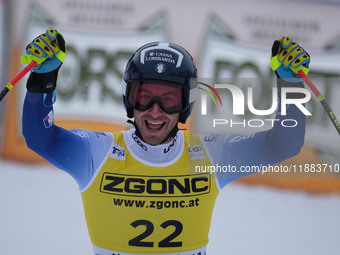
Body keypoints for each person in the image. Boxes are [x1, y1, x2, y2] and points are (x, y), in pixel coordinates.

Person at [22, 28, 309, 255]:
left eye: (169, 99)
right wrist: (42, 78)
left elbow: (284, 144)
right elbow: (40, 139)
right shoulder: (97, 152)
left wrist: (291, 85)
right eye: (144, 97)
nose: (155, 111)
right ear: (129, 99)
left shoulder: (211, 155)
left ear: (186, 104)